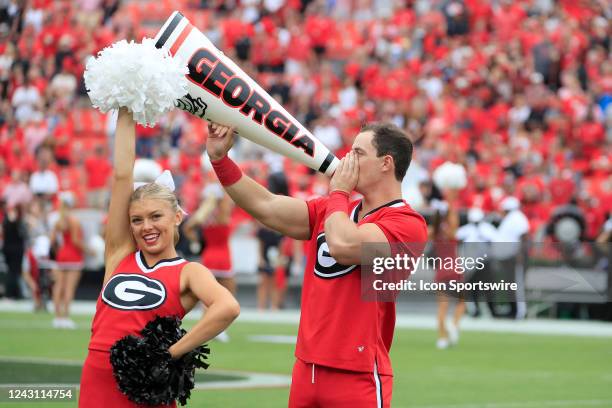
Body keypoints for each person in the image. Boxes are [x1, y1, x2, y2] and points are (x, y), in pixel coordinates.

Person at [206, 121, 427, 407]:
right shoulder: (335, 208)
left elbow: (344, 245)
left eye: (358, 153)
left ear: (386, 163)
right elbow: (267, 207)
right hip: (306, 367)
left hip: (357, 372)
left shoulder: (408, 224)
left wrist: (339, 193)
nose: (347, 160)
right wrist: (220, 160)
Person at [78, 108, 240, 408]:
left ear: (177, 216)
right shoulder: (119, 254)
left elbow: (228, 307)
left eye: (155, 217)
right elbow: (122, 174)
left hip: (144, 384)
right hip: (96, 379)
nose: (146, 227)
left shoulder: (188, 272)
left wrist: (171, 354)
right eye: (137, 220)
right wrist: (126, 105)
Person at [184, 180, 235, 342]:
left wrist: (196, 243)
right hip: (223, 257)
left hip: (208, 256)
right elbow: (229, 200)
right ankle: (217, 328)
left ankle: (208, 327)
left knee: (208, 297)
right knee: (228, 295)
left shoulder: (205, 218)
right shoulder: (222, 216)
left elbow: (187, 228)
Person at [429, 196, 465, 349]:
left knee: (442, 307)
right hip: (454, 269)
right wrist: (452, 198)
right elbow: (454, 216)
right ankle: (454, 323)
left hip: (441, 271)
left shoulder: (433, 232)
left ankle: (442, 338)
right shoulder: (451, 231)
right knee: (462, 302)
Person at [50, 191, 84, 329]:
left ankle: (57, 317)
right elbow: (76, 241)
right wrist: (88, 250)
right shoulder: (73, 220)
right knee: (69, 288)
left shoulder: (58, 220)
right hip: (74, 256)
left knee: (58, 286)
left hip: (61, 255)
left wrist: (59, 249)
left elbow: (52, 241)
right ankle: (65, 317)